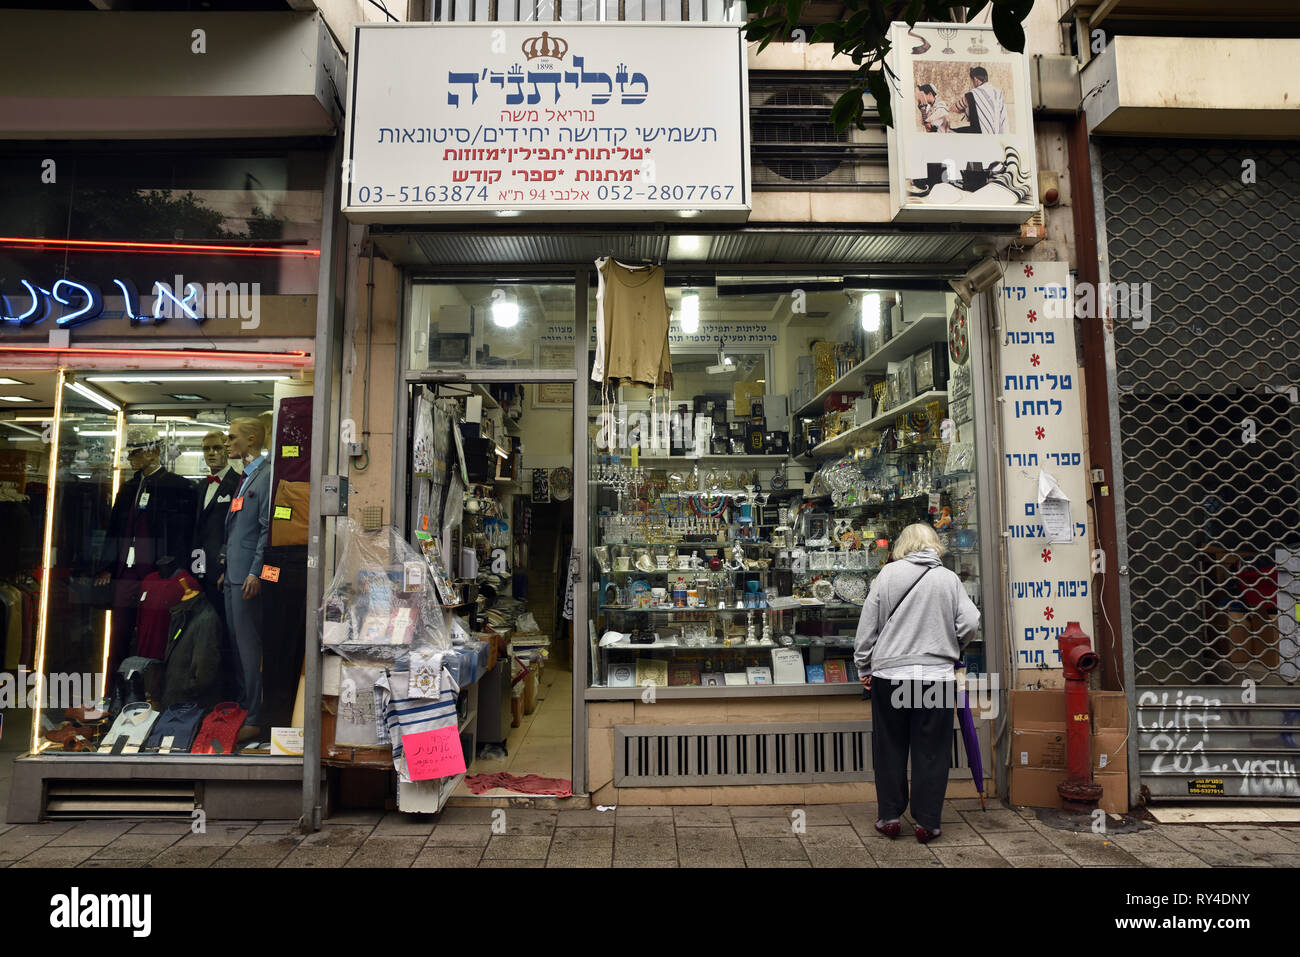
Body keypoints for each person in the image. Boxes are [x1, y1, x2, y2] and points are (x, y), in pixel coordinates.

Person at [854, 523, 979, 843]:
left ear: (902, 546)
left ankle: (891, 816)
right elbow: (970, 621)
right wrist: (953, 647)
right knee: (932, 750)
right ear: (934, 546)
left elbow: (867, 625)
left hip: (891, 678)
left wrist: (863, 665)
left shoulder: (888, 575)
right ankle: (928, 822)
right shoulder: (948, 579)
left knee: (890, 748)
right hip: (934, 679)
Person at [94, 426, 197, 687]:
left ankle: (151, 692)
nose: (132, 457)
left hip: (156, 574)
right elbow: (115, 529)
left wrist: (174, 572)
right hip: (125, 572)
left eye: (137, 451)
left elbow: (182, 535)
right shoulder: (129, 488)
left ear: (155, 452)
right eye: (131, 451)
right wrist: (107, 566)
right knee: (118, 635)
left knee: (153, 635)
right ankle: (113, 691)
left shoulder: (177, 487)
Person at [219, 417, 272, 743]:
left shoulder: (264, 477)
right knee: (237, 648)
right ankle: (243, 708)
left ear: (250, 439)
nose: (227, 443)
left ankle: (254, 715)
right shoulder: (245, 477)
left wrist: (255, 571)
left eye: (231, 437)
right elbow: (237, 528)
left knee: (249, 649)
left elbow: (267, 529)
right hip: (232, 577)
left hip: (247, 578)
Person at [193, 428, 241, 695]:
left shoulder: (237, 483)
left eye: (217, 448)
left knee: (225, 631)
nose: (211, 454)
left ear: (226, 449)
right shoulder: (200, 486)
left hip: (223, 572)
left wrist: (227, 564)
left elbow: (234, 530)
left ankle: (227, 691)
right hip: (200, 571)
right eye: (206, 449)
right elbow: (195, 529)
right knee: (203, 631)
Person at [953, 66, 1008, 134]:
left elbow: (954, 108)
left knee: (952, 131)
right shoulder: (997, 92)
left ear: (975, 79)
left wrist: (964, 109)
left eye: (972, 81)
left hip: (978, 134)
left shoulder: (971, 94)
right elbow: (1003, 118)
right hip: (996, 133)